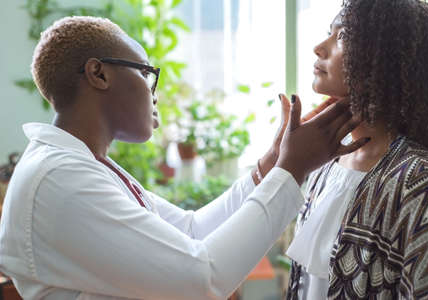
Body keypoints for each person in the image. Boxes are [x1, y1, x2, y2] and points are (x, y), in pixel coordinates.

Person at [0, 16, 368, 300]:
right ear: (99, 74)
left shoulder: (82, 165)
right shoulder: (60, 180)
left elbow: (190, 232)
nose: (153, 93)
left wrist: (268, 168)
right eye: (147, 73)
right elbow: (202, 281)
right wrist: (291, 170)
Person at [285, 0, 428, 299]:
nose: (319, 48)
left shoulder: (422, 183)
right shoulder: (327, 163)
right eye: (328, 33)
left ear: (387, 59)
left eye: (343, 36)